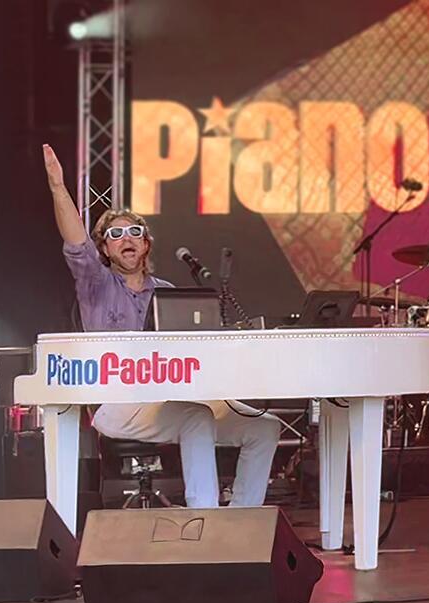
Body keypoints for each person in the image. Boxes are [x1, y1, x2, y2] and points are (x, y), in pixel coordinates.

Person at [42, 143, 279, 508]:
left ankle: (241, 521)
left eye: (134, 232)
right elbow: (76, 244)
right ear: (104, 249)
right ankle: (206, 519)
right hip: (117, 400)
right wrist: (58, 188)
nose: (126, 239)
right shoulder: (96, 284)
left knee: (265, 427)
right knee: (196, 417)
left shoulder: (167, 292)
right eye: (115, 235)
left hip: (174, 397)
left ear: (146, 244)